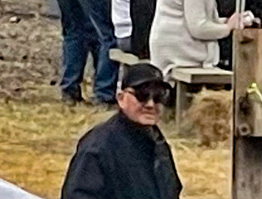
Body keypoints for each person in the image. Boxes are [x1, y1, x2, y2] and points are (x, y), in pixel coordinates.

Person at [60, 61, 182, 199]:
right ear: (121, 98)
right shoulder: (98, 147)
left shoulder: (157, 141)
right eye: (142, 95)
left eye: (160, 96)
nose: (150, 104)